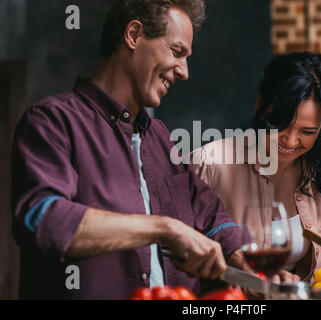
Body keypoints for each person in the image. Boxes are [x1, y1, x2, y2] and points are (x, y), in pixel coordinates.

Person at [11, 0, 245, 300]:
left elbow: (211, 216)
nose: (185, 71)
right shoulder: (51, 121)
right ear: (133, 34)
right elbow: (43, 221)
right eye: (177, 51)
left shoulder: (161, 138)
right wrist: (163, 228)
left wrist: (244, 260)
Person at [191, 52, 321, 282]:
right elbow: (173, 257)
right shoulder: (209, 164)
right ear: (260, 106)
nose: (290, 141)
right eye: (280, 125)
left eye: (308, 132)